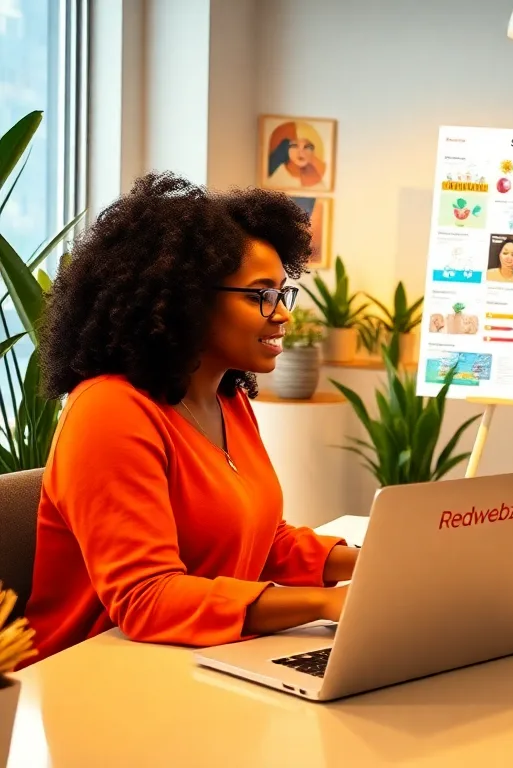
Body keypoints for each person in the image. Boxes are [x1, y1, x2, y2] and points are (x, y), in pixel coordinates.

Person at [21, 173, 358, 667]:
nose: (281, 314)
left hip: (192, 664)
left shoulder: (227, 397)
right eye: (259, 294)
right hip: (92, 678)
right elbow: (146, 598)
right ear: (186, 300)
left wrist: (370, 562)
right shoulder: (108, 411)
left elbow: (260, 538)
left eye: (283, 294)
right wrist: (327, 602)